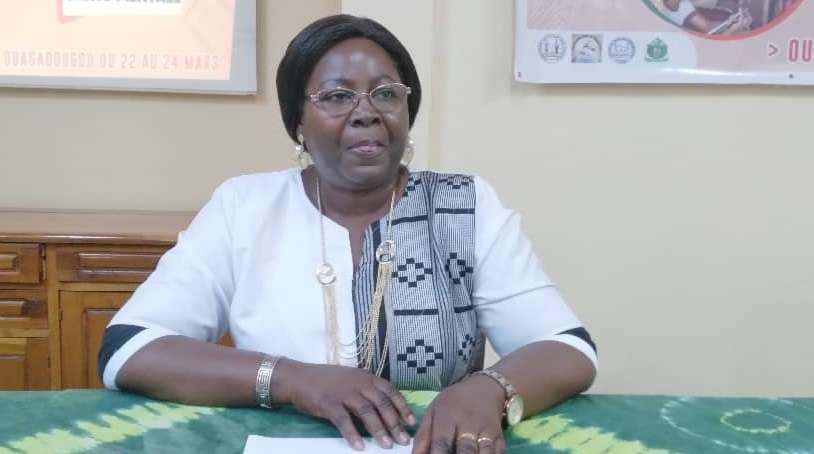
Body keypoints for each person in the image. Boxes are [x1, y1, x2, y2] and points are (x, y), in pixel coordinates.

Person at [97, 14, 598, 454]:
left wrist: (490, 388)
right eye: (337, 96)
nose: (366, 111)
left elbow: (567, 348)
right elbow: (130, 347)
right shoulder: (245, 207)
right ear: (297, 122)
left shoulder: (465, 205)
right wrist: (291, 379)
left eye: (386, 93)